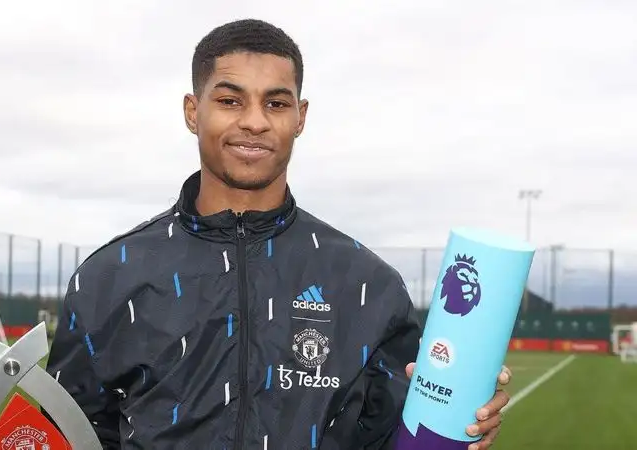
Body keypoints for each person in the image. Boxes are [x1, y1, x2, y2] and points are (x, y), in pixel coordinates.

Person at [44, 18, 511, 449]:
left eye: (276, 103)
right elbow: (66, 434)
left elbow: (396, 439)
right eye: (230, 101)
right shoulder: (109, 278)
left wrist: (458, 420)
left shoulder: (370, 286)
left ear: (300, 117)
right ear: (192, 111)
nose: (254, 121)